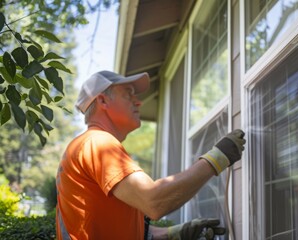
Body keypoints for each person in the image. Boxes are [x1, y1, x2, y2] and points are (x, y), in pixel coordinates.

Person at [55, 70, 246, 240]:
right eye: (128, 94)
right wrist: (217, 158)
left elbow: (116, 226)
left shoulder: (88, 145)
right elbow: (153, 202)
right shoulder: (98, 144)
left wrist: (174, 233)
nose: (138, 101)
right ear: (102, 100)